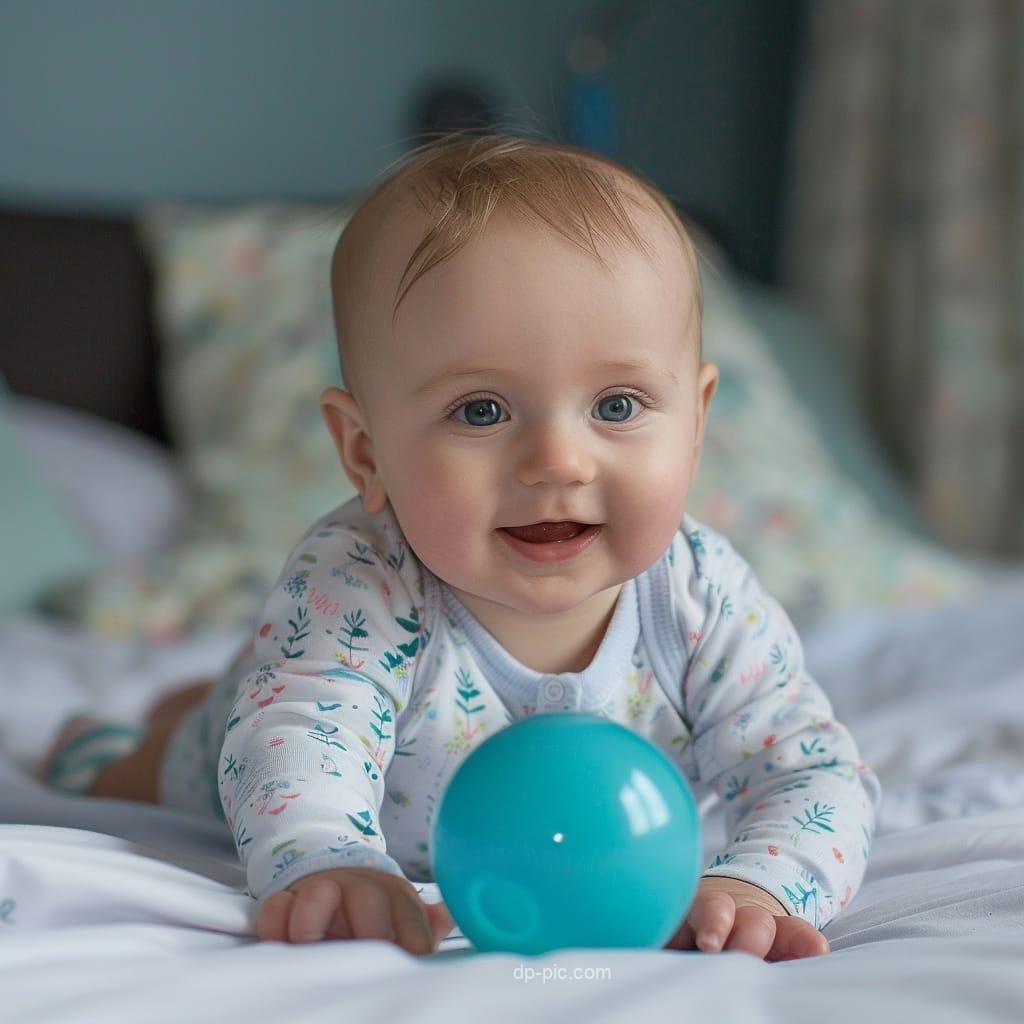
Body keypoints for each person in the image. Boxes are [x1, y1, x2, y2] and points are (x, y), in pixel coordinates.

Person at [38, 131, 882, 962]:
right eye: (481, 411)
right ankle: (136, 736)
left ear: (696, 425)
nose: (558, 460)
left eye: (618, 405)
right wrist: (331, 859)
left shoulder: (702, 599)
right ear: (365, 453)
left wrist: (760, 885)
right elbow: (295, 749)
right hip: (274, 723)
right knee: (187, 758)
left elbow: (810, 771)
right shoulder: (361, 579)